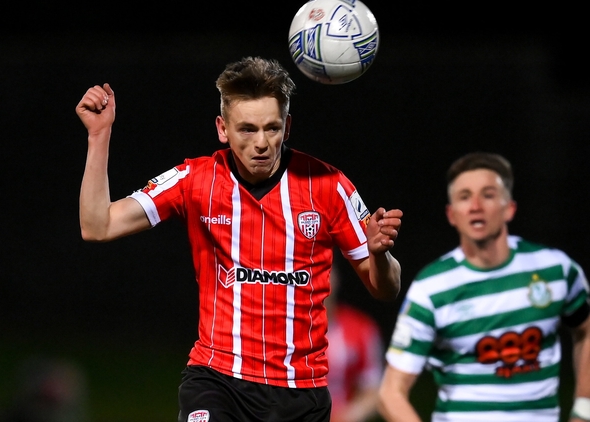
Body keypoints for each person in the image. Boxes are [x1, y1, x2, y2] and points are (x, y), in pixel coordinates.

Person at [75, 56, 403, 422]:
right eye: (247, 129)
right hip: (217, 380)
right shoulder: (194, 179)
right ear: (222, 128)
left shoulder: (329, 186)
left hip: (301, 393)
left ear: (288, 126)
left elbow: (385, 288)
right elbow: (98, 225)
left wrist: (379, 256)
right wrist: (99, 135)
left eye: (272, 128)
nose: (261, 143)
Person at [378, 151, 590, 422]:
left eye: (487, 194)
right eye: (464, 196)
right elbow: (390, 393)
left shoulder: (554, 271)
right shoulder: (432, 288)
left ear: (509, 207)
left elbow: (588, 333)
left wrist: (584, 411)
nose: (475, 205)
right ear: (452, 214)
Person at [326, 253, 385, 422]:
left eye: (326, 274)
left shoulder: (361, 329)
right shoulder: (284, 330)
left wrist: (350, 415)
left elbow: (373, 389)